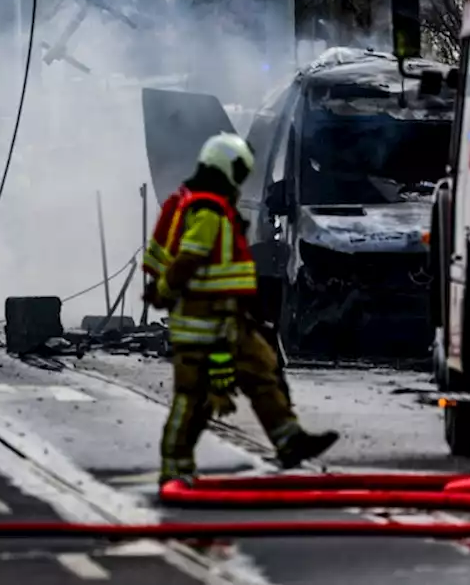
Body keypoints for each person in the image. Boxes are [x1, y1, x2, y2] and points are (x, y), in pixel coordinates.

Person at [143, 132, 338, 485]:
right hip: (205, 321)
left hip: (230, 318)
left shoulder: (202, 204)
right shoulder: (208, 211)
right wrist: (167, 290)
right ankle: (174, 467)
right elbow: (190, 259)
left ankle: (289, 440)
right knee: (194, 401)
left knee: (264, 372)